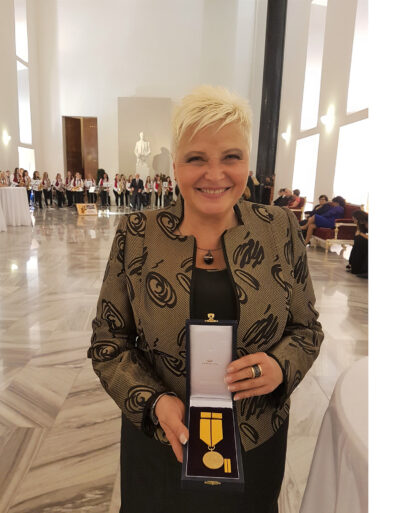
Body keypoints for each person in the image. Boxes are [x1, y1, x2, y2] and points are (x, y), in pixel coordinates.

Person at [89, 85, 324, 513]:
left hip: (254, 440)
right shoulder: (138, 234)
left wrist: (280, 366)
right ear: (175, 165)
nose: (214, 175)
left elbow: (306, 329)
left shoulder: (279, 228)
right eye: (196, 158)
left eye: (230, 157)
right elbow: (109, 344)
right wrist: (154, 402)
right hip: (162, 443)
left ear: (247, 163)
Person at [346, 210, 368, 278]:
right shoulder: (362, 224)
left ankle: (362, 269)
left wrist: (360, 234)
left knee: (360, 239)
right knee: (358, 240)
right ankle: (354, 265)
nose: (354, 222)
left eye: (354, 220)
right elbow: (357, 235)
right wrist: (359, 230)